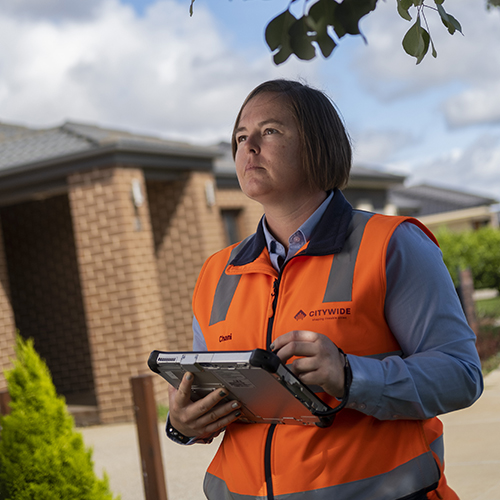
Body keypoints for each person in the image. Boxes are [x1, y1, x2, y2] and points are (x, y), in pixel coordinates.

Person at [167, 79, 483, 500]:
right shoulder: (216, 273)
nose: (249, 147)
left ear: (318, 144)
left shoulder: (392, 244)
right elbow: (215, 401)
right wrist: (185, 424)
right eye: (241, 137)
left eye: (270, 131)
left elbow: (461, 375)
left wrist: (352, 376)